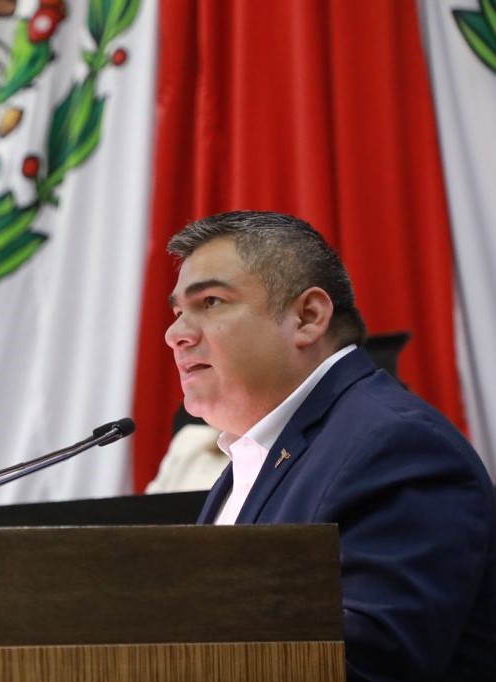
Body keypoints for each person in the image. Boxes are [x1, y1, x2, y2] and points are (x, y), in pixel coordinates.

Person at [164, 210, 496, 681]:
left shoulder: (396, 446)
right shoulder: (262, 452)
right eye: (178, 312)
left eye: (211, 302)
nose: (176, 334)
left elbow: (366, 667)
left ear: (308, 317)